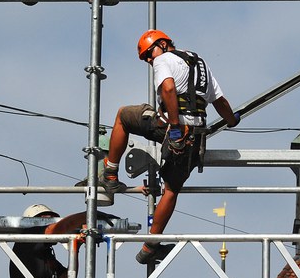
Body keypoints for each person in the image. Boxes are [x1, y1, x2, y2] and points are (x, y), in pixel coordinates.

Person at [102, 30, 239, 264]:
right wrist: (231, 120)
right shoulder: (200, 64)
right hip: (194, 138)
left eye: (148, 53)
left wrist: (175, 126)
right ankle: (150, 246)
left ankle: (110, 174)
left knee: (123, 116)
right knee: (172, 190)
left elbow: (167, 88)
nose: (148, 60)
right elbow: (219, 101)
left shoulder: (163, 59)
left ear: (163, 44)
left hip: (172, 128)